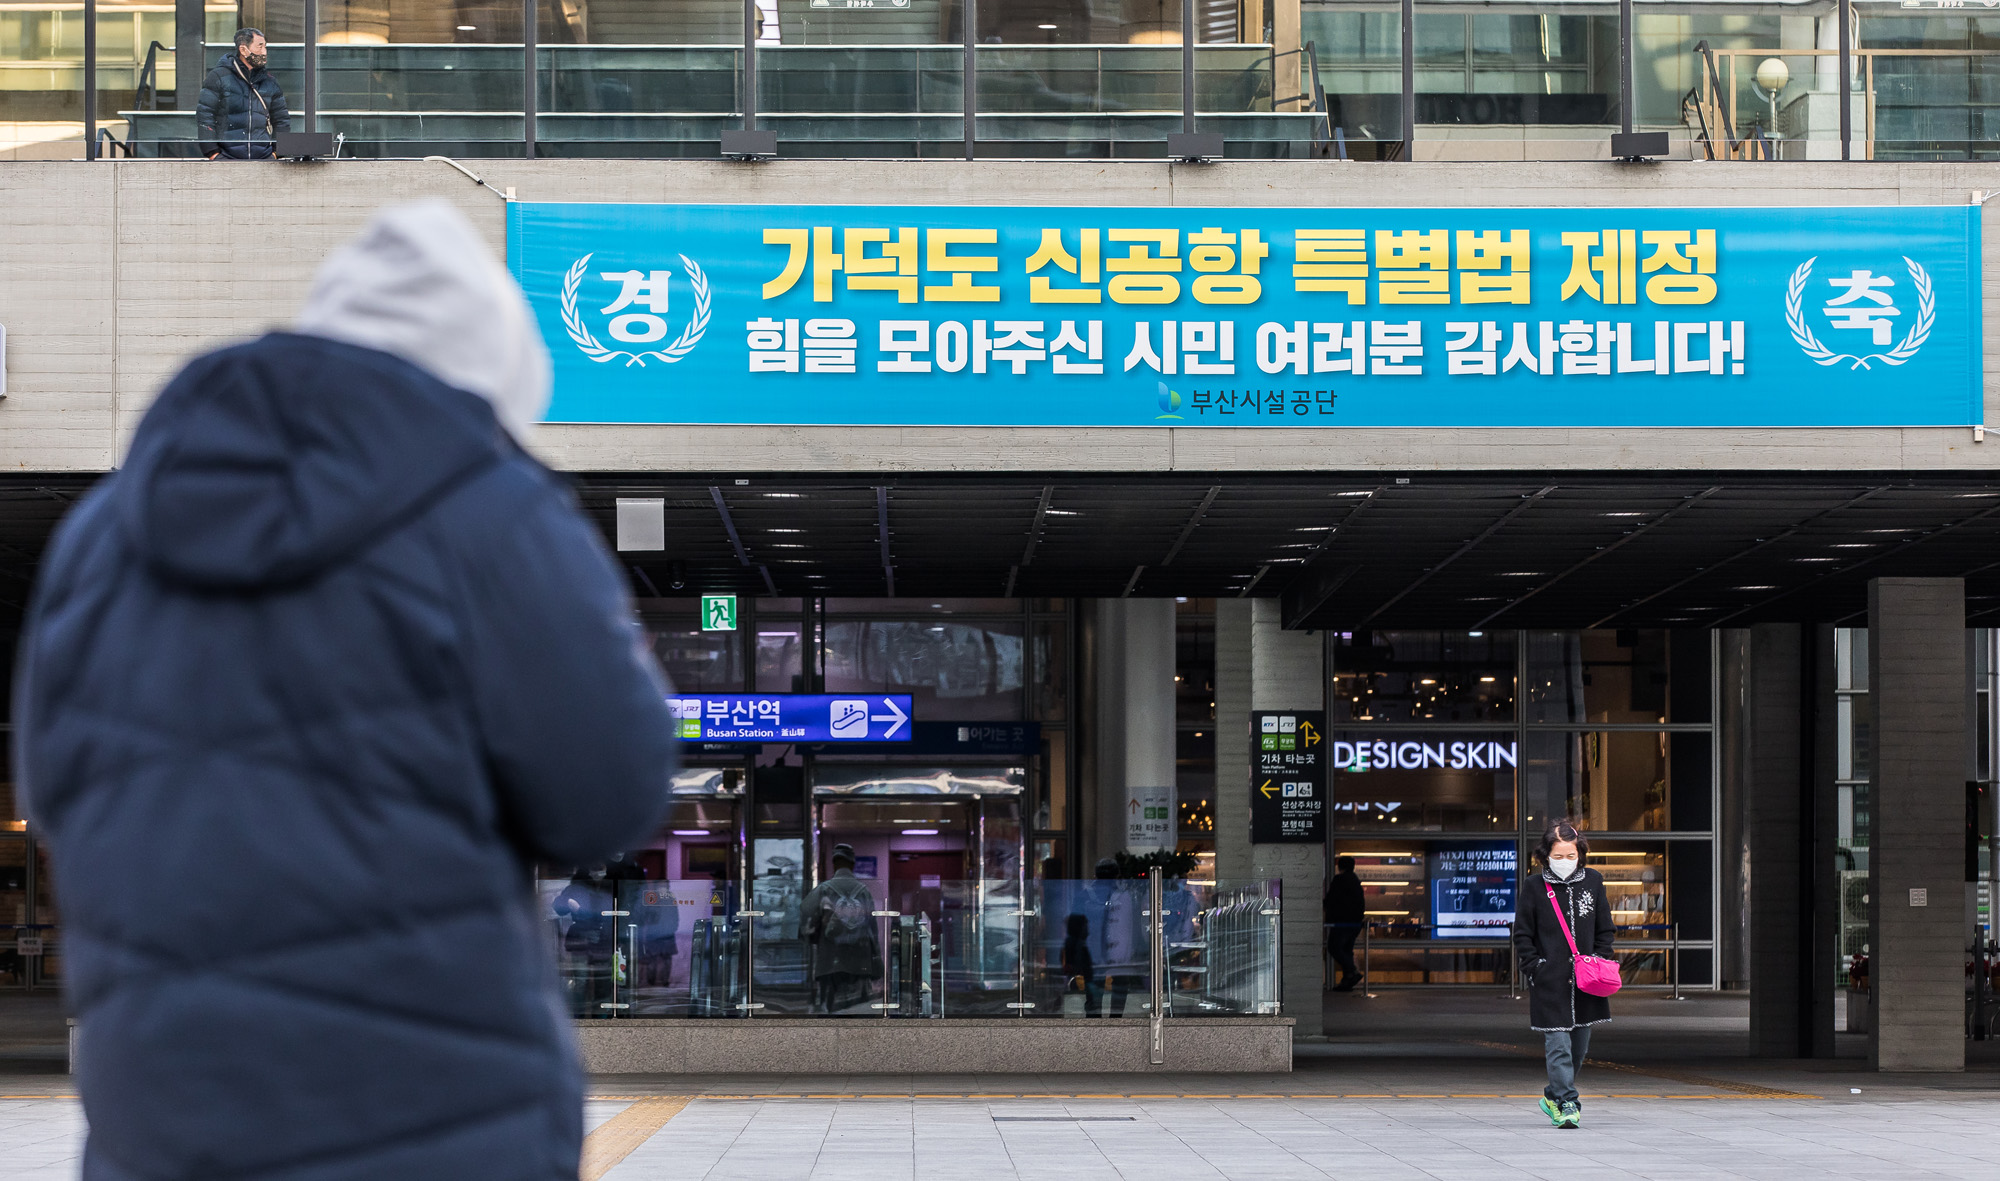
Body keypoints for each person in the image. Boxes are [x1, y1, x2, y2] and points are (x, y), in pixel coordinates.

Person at [15, 200, 680, 1180]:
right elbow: (608, 793)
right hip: (433, 1110)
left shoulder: (106, 532)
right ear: (479, 379)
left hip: (162, 1109)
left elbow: (51, 790)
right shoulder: (492, 515)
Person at [1513, 820, 1615, 1130]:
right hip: (1550, 980)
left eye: (1571, 856)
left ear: (1580, 854)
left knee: (1579, 1048)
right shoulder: (1534, 887)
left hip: (1588, 981)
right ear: (1545, 855)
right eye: (1558, 856)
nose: (1565, 862)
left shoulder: (1594, 882)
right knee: (1558, 1044)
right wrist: (1535, 968)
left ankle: (1553, 1095)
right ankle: (1568, 1102)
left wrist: (1600, 958)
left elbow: (1605, 928)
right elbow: (1522, 934)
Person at [801, 844, 880, 1013]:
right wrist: (876, 960)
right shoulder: (864, 892)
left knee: (828, 1014)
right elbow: (873, 931)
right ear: (852, 864)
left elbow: (804, 921)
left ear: (834, 864)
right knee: (858, 1012)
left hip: (830, 962)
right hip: (859, 963)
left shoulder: (822, 890)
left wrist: (817, 937)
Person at [197, 28, 290, 160]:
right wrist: (213, 154)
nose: (264, 52)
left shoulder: (269, 81)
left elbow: (282, 120)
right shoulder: (219, 77)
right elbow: (205, 116)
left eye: (265, 46)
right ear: (243, 50)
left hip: (263, 159)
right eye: (260, 46)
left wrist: (276, 154)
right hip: (227, 159)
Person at [1324, 855, 1366, 992]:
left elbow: (1331, 900)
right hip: (1355, 923)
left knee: (1334, 948)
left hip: (1342, 922)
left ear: (1340, 866)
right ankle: (1347, 981)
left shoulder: (1339, 880)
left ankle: (1352, 971)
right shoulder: (1356, 881)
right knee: (1347, 950)